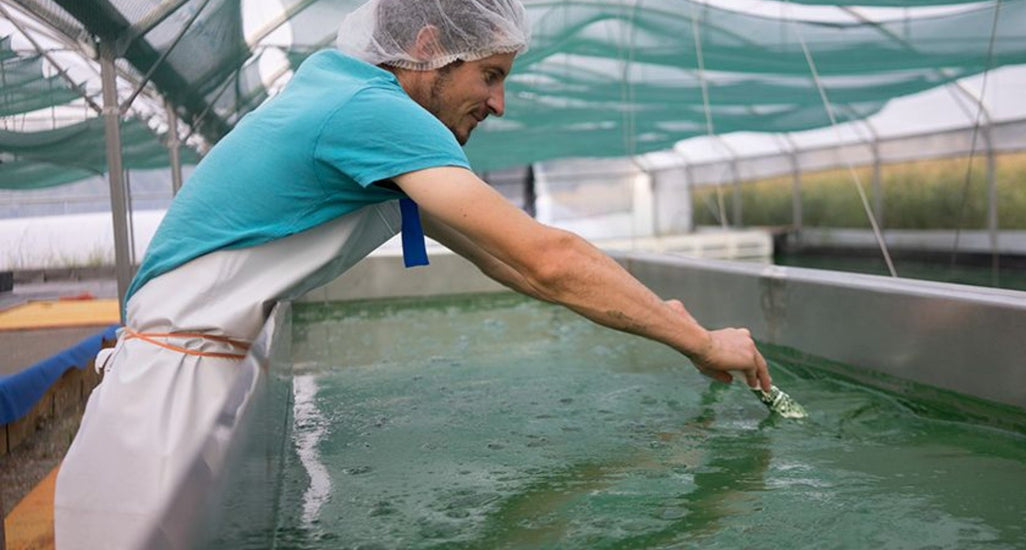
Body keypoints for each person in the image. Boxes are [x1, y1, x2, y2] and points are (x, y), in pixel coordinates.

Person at [54, 0, 770, 548]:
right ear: (428, 49)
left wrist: (672, 325)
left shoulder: (345, 99)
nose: (498, 102)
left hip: (188, 377)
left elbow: (501, 259)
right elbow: (545, 258)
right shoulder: (372, 110)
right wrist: (705, 346)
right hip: (164, 411)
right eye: (489, 75)